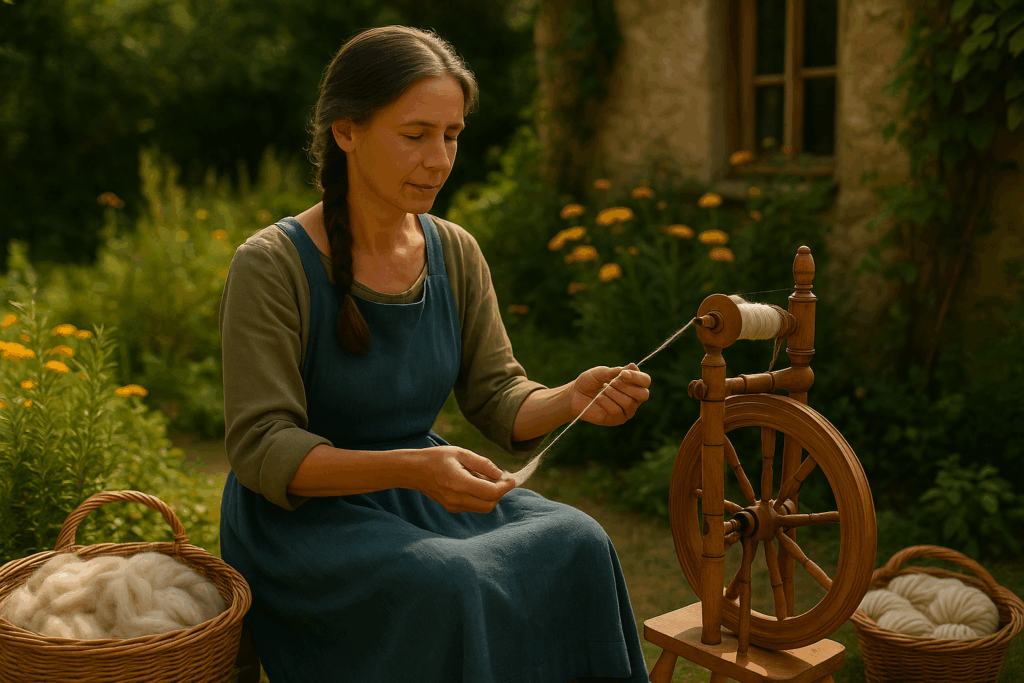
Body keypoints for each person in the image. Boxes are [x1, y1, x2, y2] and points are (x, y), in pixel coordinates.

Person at [218, 24, 653, 683]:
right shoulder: (272, 265)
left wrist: (570, 397)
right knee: (451, 580)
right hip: (303, 524)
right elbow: (261, 448)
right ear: (347, 131)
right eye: (415, 134)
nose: (439, 159)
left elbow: (498, 393)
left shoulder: (455, 250)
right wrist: (415, 468)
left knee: (580, 543)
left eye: (452, 135)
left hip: (420, 488)